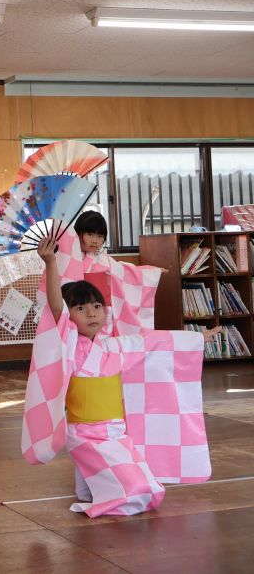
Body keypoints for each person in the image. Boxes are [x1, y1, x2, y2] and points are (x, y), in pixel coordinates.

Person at [22, 237, 218, 517]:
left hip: (115, 433)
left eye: (97, 307)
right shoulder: (69, 346)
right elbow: (56, 308)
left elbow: (156, 343)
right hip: (84, 434)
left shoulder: (114, 345)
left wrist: (198, 338)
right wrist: (51, 262)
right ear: (70, 315)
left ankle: (89, 488)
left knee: (150, 489)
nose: (91, 313)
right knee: (133, 492)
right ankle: (90, 488)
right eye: (80, 309)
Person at [40, 210, 165, 336]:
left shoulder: (103, 259)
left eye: (100, 236)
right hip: (74, 310)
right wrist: (56, 223)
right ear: (78, 233)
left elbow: (125, 271)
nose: (95, 240)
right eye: (90, 234)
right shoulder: (65, 257)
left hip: (99, 311)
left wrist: (152, 272)